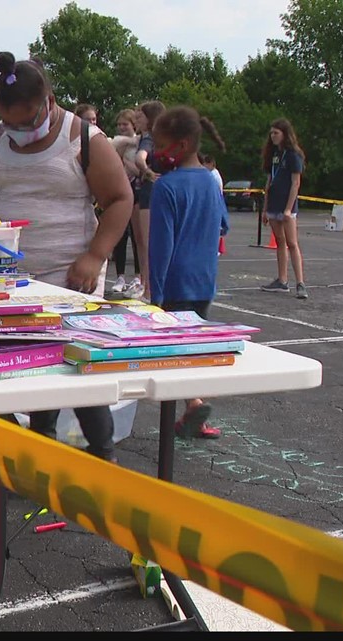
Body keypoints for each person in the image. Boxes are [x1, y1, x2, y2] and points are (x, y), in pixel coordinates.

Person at [0, 51, 134, 462]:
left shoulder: (84, 138)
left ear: (48, 101)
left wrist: (95, 255)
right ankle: (38, 451)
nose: (19, 130)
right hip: (13, 277)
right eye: (10, 122)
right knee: (30, 364)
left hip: (71, 277)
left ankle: (104, 459)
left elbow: (120, 199)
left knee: (78, 369)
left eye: (26, 121)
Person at [148, 105, 229, 439]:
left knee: (173, 353)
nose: (155, 153)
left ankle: (192, 405)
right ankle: (195, 409)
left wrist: (155, 293)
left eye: (159, 144)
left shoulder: (166, 187)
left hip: (175, 284)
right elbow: (223, 225)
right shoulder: (211, 182)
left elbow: (160, 247)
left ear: (179, 146)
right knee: (195, 347)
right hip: (204, 281)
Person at [259, 118, 308, 299]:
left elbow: (296, 183)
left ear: (285, 134)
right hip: (273, 203)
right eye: (271, 133)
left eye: (276, 133)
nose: (273, 136)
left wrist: (288, 209)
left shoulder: (293, 155)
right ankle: (282, 280)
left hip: (286, 206)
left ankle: (300, 283)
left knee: (292, 243)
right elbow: (269, 181)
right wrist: (265, 208)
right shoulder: (273, 155)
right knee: (279, 242)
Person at [133, 100, 166, 300]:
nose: (137, 119)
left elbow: (140, 158)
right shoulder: (165, 140)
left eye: (140, 116)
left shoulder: (148, 139)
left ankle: (148, 290)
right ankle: (148, 287)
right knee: (150, 243)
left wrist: (146, 171)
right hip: (157, 192)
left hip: (149, 191)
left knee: (147, 243)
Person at [108, 108, 143, 298]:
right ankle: (120, 277)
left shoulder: (140, 143)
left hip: (136, 191)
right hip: (120, 191)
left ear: (133, 125)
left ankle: (138, 276)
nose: (122, 127)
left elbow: (140, 171)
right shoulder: (117, 142)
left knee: (138, 237)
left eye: (125, 124)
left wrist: (124, 163)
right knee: (120, 236)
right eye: (119, 124)